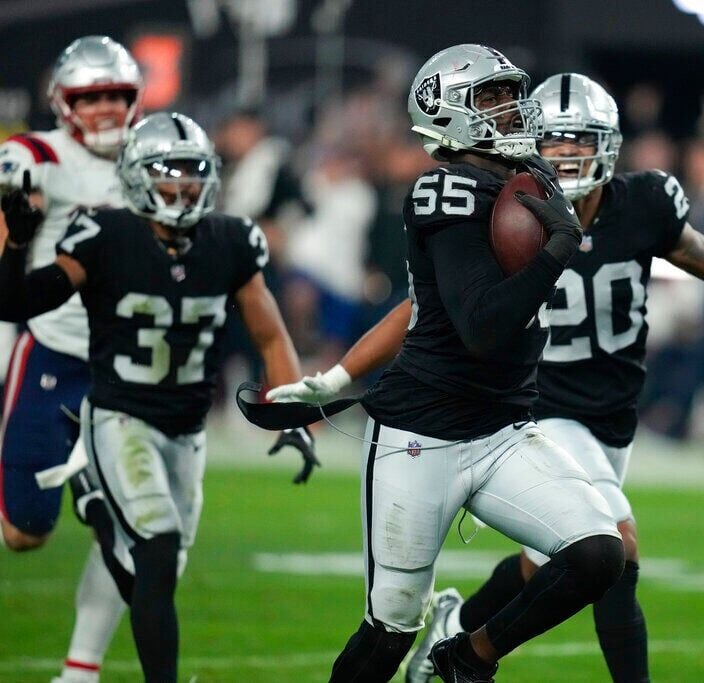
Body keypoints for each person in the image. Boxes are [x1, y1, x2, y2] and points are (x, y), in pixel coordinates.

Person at [270, 73, 704, 682]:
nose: (564, 152)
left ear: (608, 144)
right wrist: (337, 374)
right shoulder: (510, 204)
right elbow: (429, 305)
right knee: (617, 550)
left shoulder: (641, 204)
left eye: (578, 139)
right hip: (535, 409)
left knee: (544, 564)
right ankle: (471, 656)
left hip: (609, 414)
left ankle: (461, 629)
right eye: (552, 138)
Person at [272, 45, 628, 683]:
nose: (512, 107)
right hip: (421, 435)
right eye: (492, 96)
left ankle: (467, 657)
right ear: (446, 108)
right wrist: (556, 254)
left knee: (600, 554)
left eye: (511, 93)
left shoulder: (532, 181)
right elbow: (483, 327)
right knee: (389, 634)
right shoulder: (445, 188)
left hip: (502, 430)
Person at [0, 111, 317, 683]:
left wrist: (290, 411)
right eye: (168, 171)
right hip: (119, 417)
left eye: (193, 172)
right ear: (137, 175)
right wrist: (17, 246)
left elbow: (271, 334)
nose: (183, 185)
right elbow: (17, 302)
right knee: (155, 546)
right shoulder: (104, 235)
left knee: (158, 565)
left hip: (186, 432)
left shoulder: (229, 239)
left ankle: (95, 506)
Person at [0, 35, 142, 683]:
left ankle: (79, 670)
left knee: (130, 524)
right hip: (47, 350)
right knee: (25, 531)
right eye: (92, 96)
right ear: (63, 101)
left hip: (125, 369)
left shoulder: (156, 157)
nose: (108, 108)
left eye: (118, 94)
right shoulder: (32, 157)